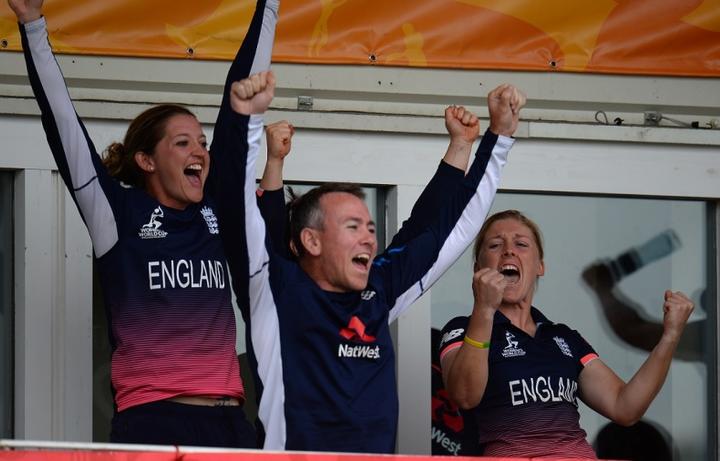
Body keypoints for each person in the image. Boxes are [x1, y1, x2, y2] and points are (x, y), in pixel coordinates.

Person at [9, 0, 278, 447]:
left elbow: (238, 106)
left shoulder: (214, 209)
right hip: (153, 421)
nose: (200, 151)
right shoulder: (117, 214)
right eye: (183, 143)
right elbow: (64, 126)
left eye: (202, 142)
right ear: (146, 160)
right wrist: (32, 25)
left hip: (229, 421)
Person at [215, 67, 525, 452]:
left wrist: (499, 137)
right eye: (352, 226)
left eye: (370, 227)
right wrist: (247, 121)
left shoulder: (378, 290)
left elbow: (440, 228)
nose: (368, 237)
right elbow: (238, 212)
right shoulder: (276, 292)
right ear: (310, 241)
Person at [438, 209, 695, 458]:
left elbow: (624, 407)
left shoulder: (562, 337)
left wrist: (670, 336)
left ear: (540, 266)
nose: (508, 250)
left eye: (521, 244)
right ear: (478, 269)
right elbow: (464, 395)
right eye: (495, 245)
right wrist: (484, 309)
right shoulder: (463, 328)